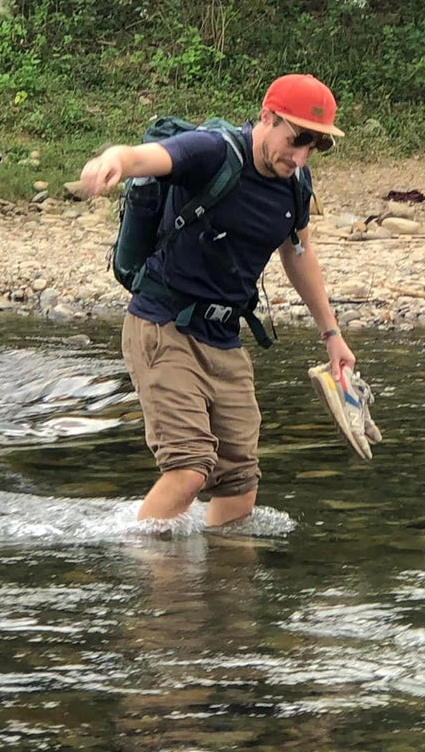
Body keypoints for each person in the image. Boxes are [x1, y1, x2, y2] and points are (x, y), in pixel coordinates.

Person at [79, 74, 355, 527]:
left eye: (315, 145)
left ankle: (223, 592)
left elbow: (299, 254)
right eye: (296, 139)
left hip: (225, 340)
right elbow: (146, 156)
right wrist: (113, 160)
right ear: (267, 117)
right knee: (188, 471)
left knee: (239, 488)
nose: (302, 154)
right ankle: (150, 582)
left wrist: (332, 336)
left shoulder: (295, 182)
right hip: (163, 326)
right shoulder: (212, 151)